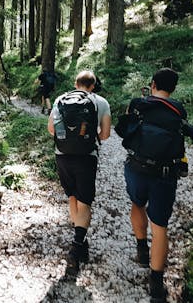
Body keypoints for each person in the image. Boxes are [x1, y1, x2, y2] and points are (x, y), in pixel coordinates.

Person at [122, 68, 193, 302]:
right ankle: (156, 283)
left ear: (152, 84)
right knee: (160, 225)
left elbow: (124, 130)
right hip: (165, 172)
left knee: (137, 204)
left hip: (137, 167)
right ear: (173, 89)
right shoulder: (178, 109)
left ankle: (142, 248)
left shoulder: (138, 103)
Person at [47, 70, 111, 270]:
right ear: (93, 85)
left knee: (72, 197)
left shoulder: (60, 99)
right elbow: (106, 134)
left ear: (76, 84)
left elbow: (51, 129)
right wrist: (90, 138)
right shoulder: (101, 102)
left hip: (62, 155)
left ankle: (80, 241)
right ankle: (76, 248)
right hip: (86, 158)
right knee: (85, 202)